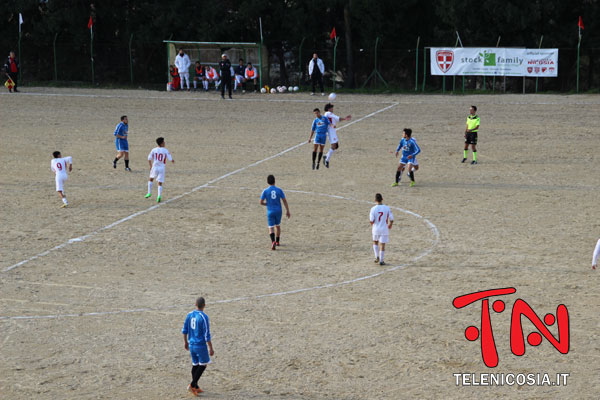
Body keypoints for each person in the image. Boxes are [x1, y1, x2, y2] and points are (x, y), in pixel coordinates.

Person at [182, 297, 214, 397]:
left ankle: (195, 386)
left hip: (191, 344)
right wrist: (211, 347)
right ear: (204, 305)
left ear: (195, 304)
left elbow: (185, 330)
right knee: (203, 365)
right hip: (200, 345)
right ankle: (192, 385)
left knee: (195, 365)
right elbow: (206, 335)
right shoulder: (204, 317)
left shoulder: (189, 315)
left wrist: (185, 342)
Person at [260, 175, 291, 250]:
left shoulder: (265, 191)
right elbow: (284, 200)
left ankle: (273, 241)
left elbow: (261, 202)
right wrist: (287, 210)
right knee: (278, 225)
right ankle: (277, 241)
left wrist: (267, 204)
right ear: (275, 181)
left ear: (267, 182)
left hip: (270, 211)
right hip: (278, 211)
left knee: (271, 228)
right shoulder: (279, 190)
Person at [145, 137, 174, 203]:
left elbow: (149, 158)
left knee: (151, 179)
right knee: (160, 182)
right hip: (161, 168)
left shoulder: (154, 150)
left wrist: (150, 166)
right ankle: (159, 196)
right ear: (161, 143)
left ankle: (149, 192)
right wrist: (172, 160)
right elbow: (170, 159)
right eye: (163, 142)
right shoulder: (165, 150)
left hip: (154, 167)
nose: (164, 143)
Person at [323, 103, 351, 168]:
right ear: (328, 108)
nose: (332, 109)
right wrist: (345, 119)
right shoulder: (327, 113)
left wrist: (343, 119)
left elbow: (337, 119)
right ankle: (326, 160)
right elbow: (336, 117)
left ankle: (326, 156)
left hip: (333, 131)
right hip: (330, 132)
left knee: (336, 146)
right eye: (331, 108)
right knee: (334, 146)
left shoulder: (330, 114)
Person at [369, 193, 394, 266]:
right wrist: (390, 225)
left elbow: (371, 220)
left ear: (375, 200)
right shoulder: (387, 208)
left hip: (376, 228)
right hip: (384, 228)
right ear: (382, 199)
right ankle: (381, 261)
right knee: (382, 244)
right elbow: (392, 219)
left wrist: (373, 226)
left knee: (375, 242)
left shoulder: (373, 209)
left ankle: (376, 256)